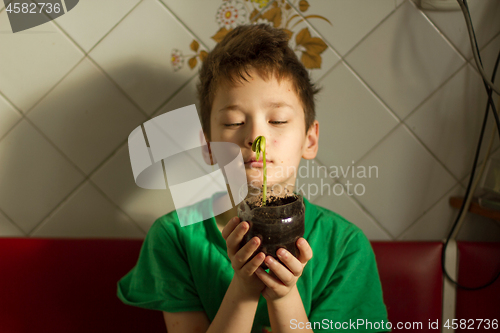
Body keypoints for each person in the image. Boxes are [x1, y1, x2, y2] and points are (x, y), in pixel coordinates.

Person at [117, 24, 389, 333]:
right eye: (234, 122)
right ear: (209, 147)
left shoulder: (345, 248)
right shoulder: (175, 237)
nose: (255, 136)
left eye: (278, 120)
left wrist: (284, 296)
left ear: (309, 140)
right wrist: (244, 288)